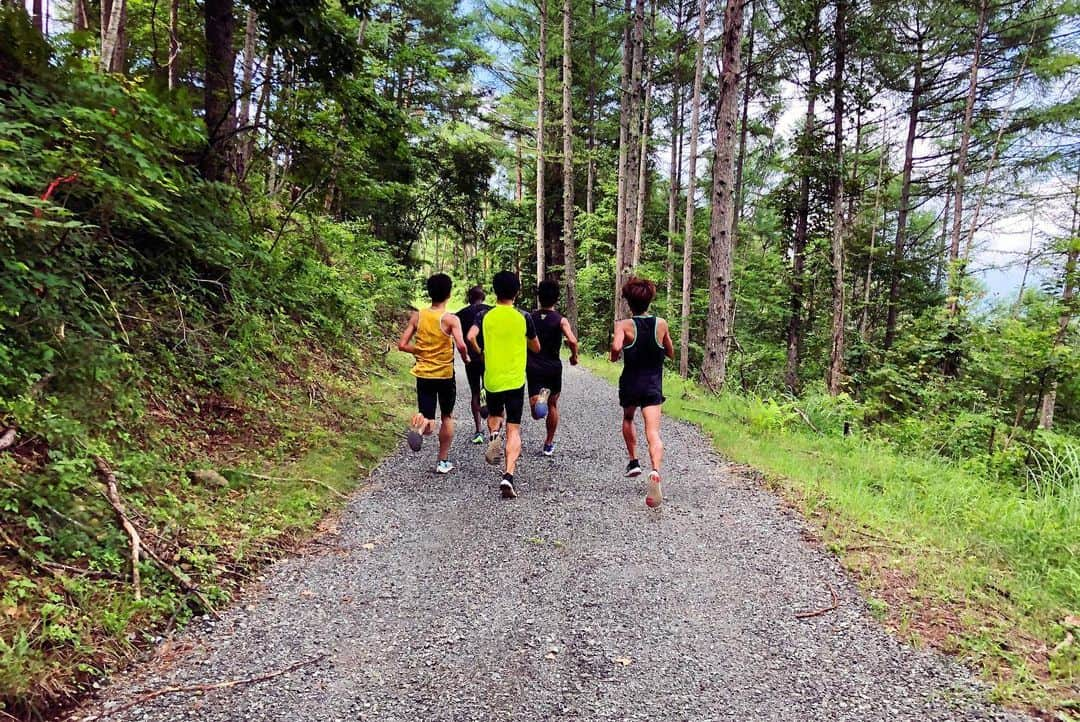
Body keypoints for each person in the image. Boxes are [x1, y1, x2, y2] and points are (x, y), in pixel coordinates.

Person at [466, 271, 540, 499]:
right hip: (515, 379)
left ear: (495, 291)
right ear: (517, 292)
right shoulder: (523, 317)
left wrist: (481, 354)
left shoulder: (484, 316)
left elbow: (470, 337)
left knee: (495, 415)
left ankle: (493, 435)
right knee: (514, 428)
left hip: (493, 378)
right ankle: (508, 475)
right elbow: (536, 347)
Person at [610, 277, 674, 508]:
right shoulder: (661, 324)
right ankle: (655, 470)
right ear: (650, 300)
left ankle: (634, 461)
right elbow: (670, 351)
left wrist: (615, 352)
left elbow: (616, 349)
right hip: (653, 384)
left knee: (628, 418)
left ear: (629, 302)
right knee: (653, 432)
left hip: (631, 382)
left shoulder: (624, 325)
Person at [397, 273, 470, 474]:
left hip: (423, 374)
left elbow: (402, 345)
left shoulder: (418, 316)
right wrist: (466, 358)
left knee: (428, 417)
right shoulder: (450, 320)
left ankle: (419, 427)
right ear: (449, 293)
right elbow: (462, 345)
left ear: (429, 293)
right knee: (447, 416)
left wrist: (418, 351)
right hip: (445, 375)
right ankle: (442, 461)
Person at [527, 280, 580, 456]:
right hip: (553, 368)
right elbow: (572, 340)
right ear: (557, 298)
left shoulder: (530, 317)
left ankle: (540, 399)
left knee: (536, 412)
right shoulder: (561, 320)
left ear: (539, 297)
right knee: (552, 405)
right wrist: (574, 356)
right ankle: (548, 443)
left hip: (533, 367)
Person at [455, 285, 491, 445]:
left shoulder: (461, 314)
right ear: (483, 297)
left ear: (469, 298)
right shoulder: (491, 311)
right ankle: (493, 427)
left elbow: (457, 337)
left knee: (474, 392)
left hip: (471, 359)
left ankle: (478, 430)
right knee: (489, 389)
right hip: (489, 358)